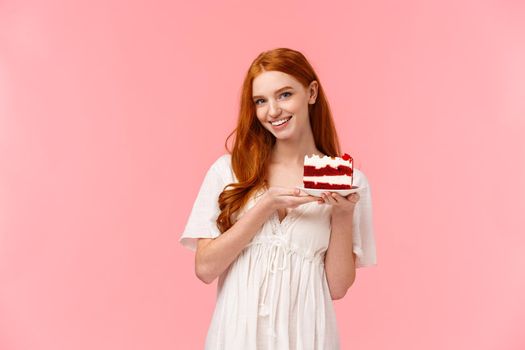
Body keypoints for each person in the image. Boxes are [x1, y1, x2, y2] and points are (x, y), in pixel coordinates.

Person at [179, 47, 377, 349]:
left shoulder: (348, 183)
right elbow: (205, 268)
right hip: (236, 338)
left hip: (307, 338)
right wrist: (265, 206)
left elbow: (336, 288)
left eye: (284, 95)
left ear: (311, 93)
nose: (272, 111)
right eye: (261, 101)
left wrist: (342, 215)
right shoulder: (228, 171)